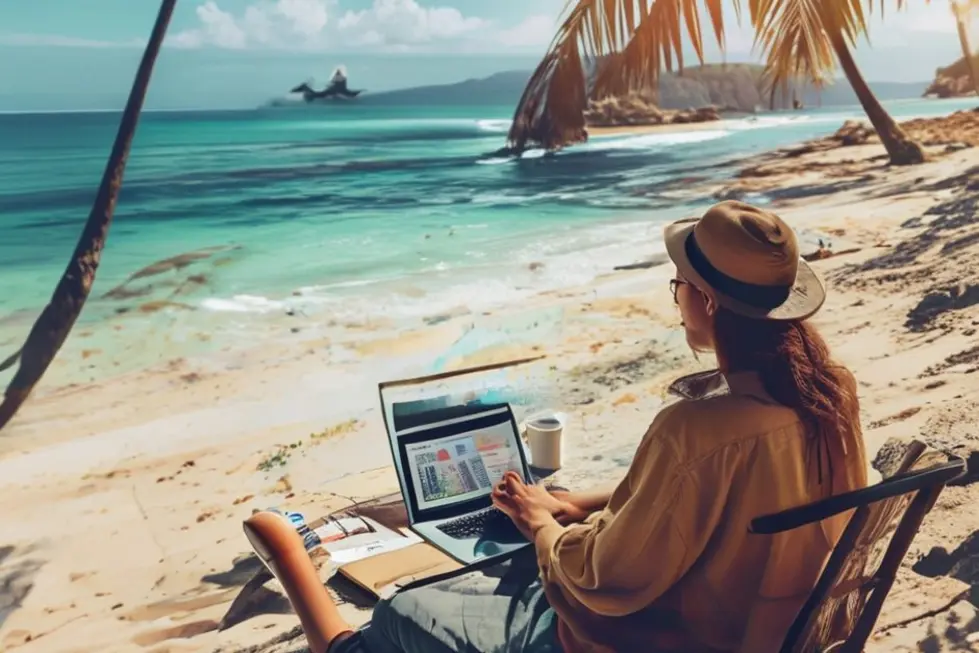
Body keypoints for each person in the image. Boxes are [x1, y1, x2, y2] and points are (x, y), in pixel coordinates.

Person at [243, 200, 868, 653]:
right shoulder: (829, 395)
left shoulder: (694, 428)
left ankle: (290, 558)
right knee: (511, 564)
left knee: (405, 609)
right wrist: (575, 503)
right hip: (772, 624)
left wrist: (542, 523)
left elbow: (606, 580)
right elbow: (724, 496)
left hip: (667, 636)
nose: (675, 296)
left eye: (678, 285)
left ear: (704, 302)